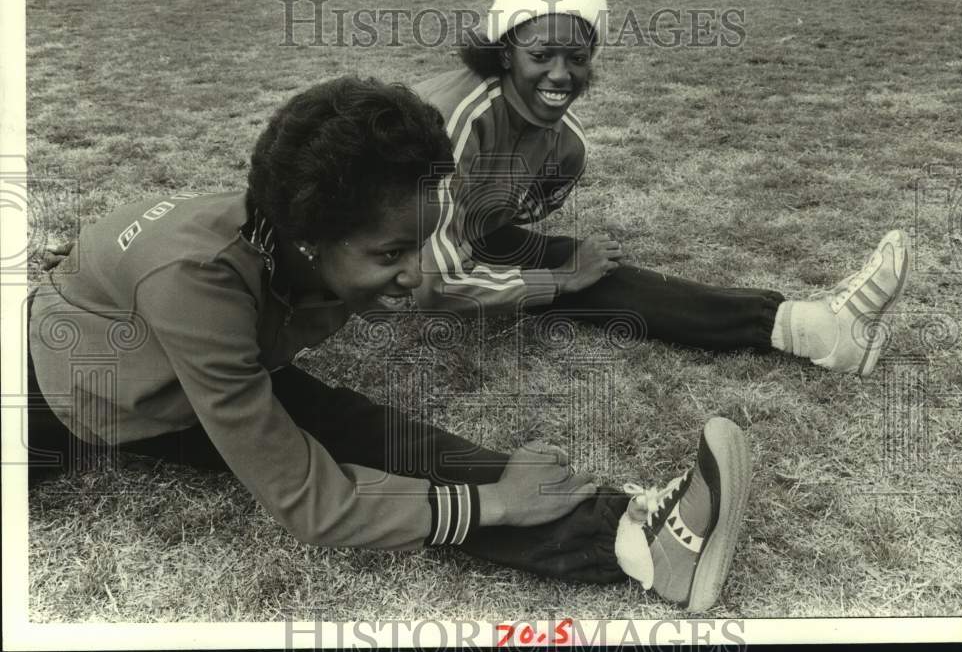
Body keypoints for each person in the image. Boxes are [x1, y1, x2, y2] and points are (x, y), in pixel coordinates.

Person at [25, 76, 752, 610]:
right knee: (346, 449)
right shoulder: (197, 285)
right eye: (391, 254)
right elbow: (309, 503)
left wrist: (557, 282)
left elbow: (442, 287)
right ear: (311, 243)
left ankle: (641, 540)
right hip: (63, 401)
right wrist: (492, 504)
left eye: (422, 241)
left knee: (373, 435)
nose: (416, 271)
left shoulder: (305, 227)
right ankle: (627, 545)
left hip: (175, 351)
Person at [412, 0, 910, 377]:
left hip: (456, 238)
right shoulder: (453, 120)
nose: (561, 75)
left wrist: (550, 270)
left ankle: (809, 327)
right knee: (567, 273)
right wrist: (557, 280)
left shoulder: (567, 146)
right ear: (504, 52)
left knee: (594, 273)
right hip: (389, 256)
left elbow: (508, 220)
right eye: (541, 55)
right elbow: (431, 289)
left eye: (577, 57)